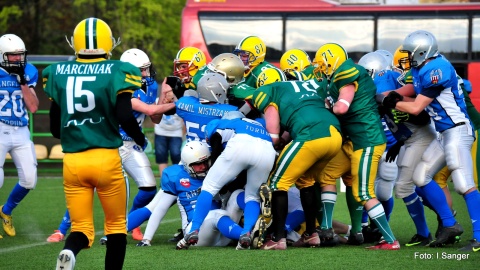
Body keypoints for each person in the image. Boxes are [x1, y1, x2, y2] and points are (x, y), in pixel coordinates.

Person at [43, 17, 150, 269]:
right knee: (115, 227)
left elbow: (53, 128)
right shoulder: (118, 70)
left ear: (75, 43)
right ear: (108, 42)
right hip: (106, 158)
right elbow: (125, 115)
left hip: (73, 161)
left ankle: (70, 252)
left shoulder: (57, 73)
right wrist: (140, 138)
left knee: (81, 227)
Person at [45, 48, 175, 244]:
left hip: (131, 145)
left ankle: (131, 222)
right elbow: (148, 109)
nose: (145, 74)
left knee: (148, 188)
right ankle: (62, 228)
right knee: (91, 188)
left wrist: (164, 99)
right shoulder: (121, 88)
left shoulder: (150, 87)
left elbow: (154, 117)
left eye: (146, 69)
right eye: (141, 70)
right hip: (112, 143)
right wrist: (179, 104)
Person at [381, 30, 480, 251]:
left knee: (464, 184)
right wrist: (392, 94)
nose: (406, 57)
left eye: (409, 53)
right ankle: (450, 224)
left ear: (422, 51)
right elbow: (413, 89)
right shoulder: (422, 68)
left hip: (458, 131)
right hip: (444, 134)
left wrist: (390, 102)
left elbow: (416, 107)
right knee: (420, 176)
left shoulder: (437, 69)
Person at [312, 43, 399, 250]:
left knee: (364, 193)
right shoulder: (341, 75)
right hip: (355, 140)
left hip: (366, 140)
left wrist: (328, 106)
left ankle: (390, 241)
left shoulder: (346, 74)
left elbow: (342, 107)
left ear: (332, 60)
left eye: (323, 63)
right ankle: (325, 228)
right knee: (326, 175)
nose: (321, 68)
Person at [248, 76, 343, 250]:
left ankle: (278, 238)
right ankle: (311, 234)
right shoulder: (308, 84)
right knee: (306, 180)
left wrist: (275, 140)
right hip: (334, 134)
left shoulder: (267, 90)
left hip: (311, 134)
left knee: (277, 183)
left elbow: (273, 126)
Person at [179, 111, 277, 250]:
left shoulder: (219, 124)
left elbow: (217, 145)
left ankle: (194, 230)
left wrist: (217, 177)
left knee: (209, 187)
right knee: (252, 197)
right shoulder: (258, 124)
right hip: (268, 151)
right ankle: (247, 232)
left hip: (240, 145)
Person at [0, 34, 39, 238]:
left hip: (21, 130)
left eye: (20, 55)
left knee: (29, 180)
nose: (17, 59)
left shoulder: (29, 71)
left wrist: (22, 82)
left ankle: (6, 211)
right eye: (12, 56)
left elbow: (33, 107)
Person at [154, 113, 184, 177]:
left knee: (176, 154)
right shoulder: (157, 102)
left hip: (176, 133)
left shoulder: (180, 103)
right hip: (160, 131)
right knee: (161, 155)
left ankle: (176, 179)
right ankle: (163, 180)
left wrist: (182, 132)